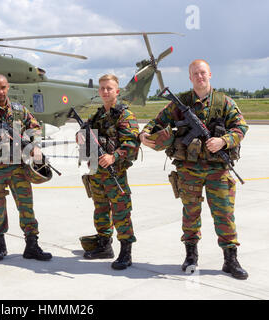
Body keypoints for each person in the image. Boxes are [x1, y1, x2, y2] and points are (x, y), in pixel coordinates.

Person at [139, 59, 249, 279]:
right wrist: (144, 134)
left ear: (210, 74)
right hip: (188, 170)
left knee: (224, 214)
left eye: (203, 73)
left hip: (218, 169)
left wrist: (223, 141)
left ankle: (230, 259)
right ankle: (191, 256)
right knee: (190, 214)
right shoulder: (180, 103)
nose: (199, 77)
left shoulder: (224, 102)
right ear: (190, 78)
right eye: (195, 74)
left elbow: (241, 127)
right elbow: (155, 122)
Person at [0, 74, 52, 262]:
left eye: (3, 87)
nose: (1, 91)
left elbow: (35, 127)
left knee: (26, 206)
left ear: (8, 87)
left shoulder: (19, 110)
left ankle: (32, 245)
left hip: (19, 167)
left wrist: (35, 146)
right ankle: (0, 245)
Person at [76, 74, 140, 270]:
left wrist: (114, 157)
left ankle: (126, 251)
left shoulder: (124, 115)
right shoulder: (96, 116)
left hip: (115, 173)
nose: (105, 91)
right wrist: (79, 137)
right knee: (101, 210)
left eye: (109, 88)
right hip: (96, 173)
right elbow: (86, 136)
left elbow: (132, 144)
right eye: (102, 88)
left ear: (117, 91)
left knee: (121, 212)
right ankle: (104, 245)